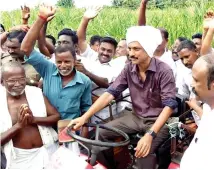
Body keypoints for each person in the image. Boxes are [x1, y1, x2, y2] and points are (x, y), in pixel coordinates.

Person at [69, 25, 177, 169]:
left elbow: (169, 105)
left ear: (148, 50)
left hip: (158, 121)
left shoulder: (164, 70)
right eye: (130, 49)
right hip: (135, 116)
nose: (131, 53)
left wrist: (150, 135)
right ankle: (110, 166)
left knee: (142, 151)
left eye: (136, 49)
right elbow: (110, 93)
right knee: (99, 134)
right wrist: (84, 117)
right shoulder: (129, 68)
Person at [20, 4, 92, 121]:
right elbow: (26, 48)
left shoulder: (84, 81)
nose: (63, 66)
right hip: (45, 125)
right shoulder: (48, 69)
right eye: (59, 62)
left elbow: (85, 110)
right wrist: (41, 18)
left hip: (70, 130)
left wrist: (83, 132)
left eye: (67, 62)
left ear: (75, 60)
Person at [0, 61, 60, 169]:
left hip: (47, 151)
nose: (18, 84)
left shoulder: (36, 93)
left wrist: (34, 120)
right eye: (12, 81)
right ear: (2, 82)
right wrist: (18, 126)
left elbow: (56, 116)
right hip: (19, 159)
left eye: (21, 79)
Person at [76, 6, 120, 122]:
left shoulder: (117, 66)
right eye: (103, 49)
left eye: (109, 51)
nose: (105, 53)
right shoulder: (90, 56)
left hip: (106, 114)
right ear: (98, 48)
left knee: (102, 137)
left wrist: (86, 72)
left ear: (114, 53)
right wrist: (85, 19)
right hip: (84, 109)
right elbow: (80, 39)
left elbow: (107, 84)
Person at [180, 54, 214, 169]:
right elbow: (207, 118)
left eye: (196, 80)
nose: (191, 84)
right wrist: (196, 107)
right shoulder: (208, 106)